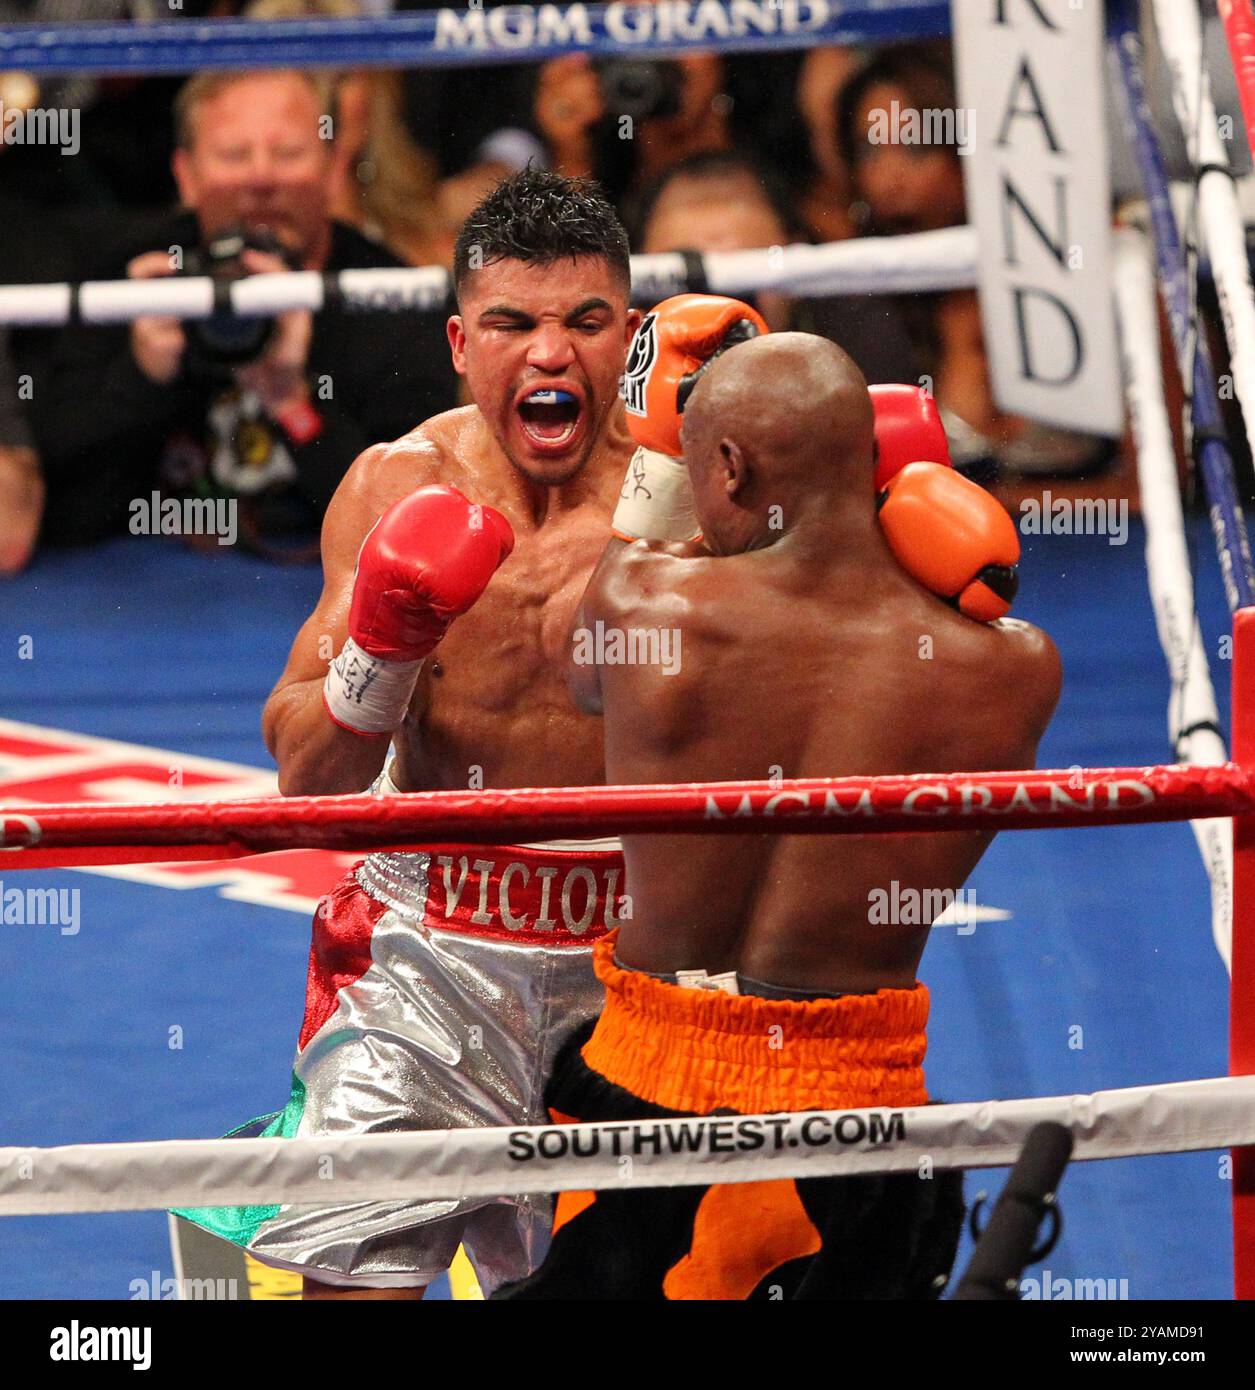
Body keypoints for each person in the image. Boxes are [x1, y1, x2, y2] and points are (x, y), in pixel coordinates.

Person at [497, 327, 1061, 1299]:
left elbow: (585, 669)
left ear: (724, 463)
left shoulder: (645, 606)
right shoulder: (1012, 670)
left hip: (646, 1087)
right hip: (858, 1112)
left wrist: (662, 460)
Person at [176, 169, 644, 1298]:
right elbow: (304, 774)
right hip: (426, 951)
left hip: (637, 964)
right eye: (512, 323)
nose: (549, 354)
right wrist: (383, 649)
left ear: (627, 335)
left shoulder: (688, 495)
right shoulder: (397, 485)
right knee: (348, 1284)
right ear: (457, 341)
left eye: (584, 322)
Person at [28, 67, 455, 556]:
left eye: (288, 153)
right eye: (233, 155)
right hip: (145, 607)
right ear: (185, 176)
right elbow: (51, 515)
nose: (260, 178)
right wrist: (139, 378)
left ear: (333, 167)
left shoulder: (386, 296)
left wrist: (294, 401)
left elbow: (415, 536)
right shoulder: (130, 286)